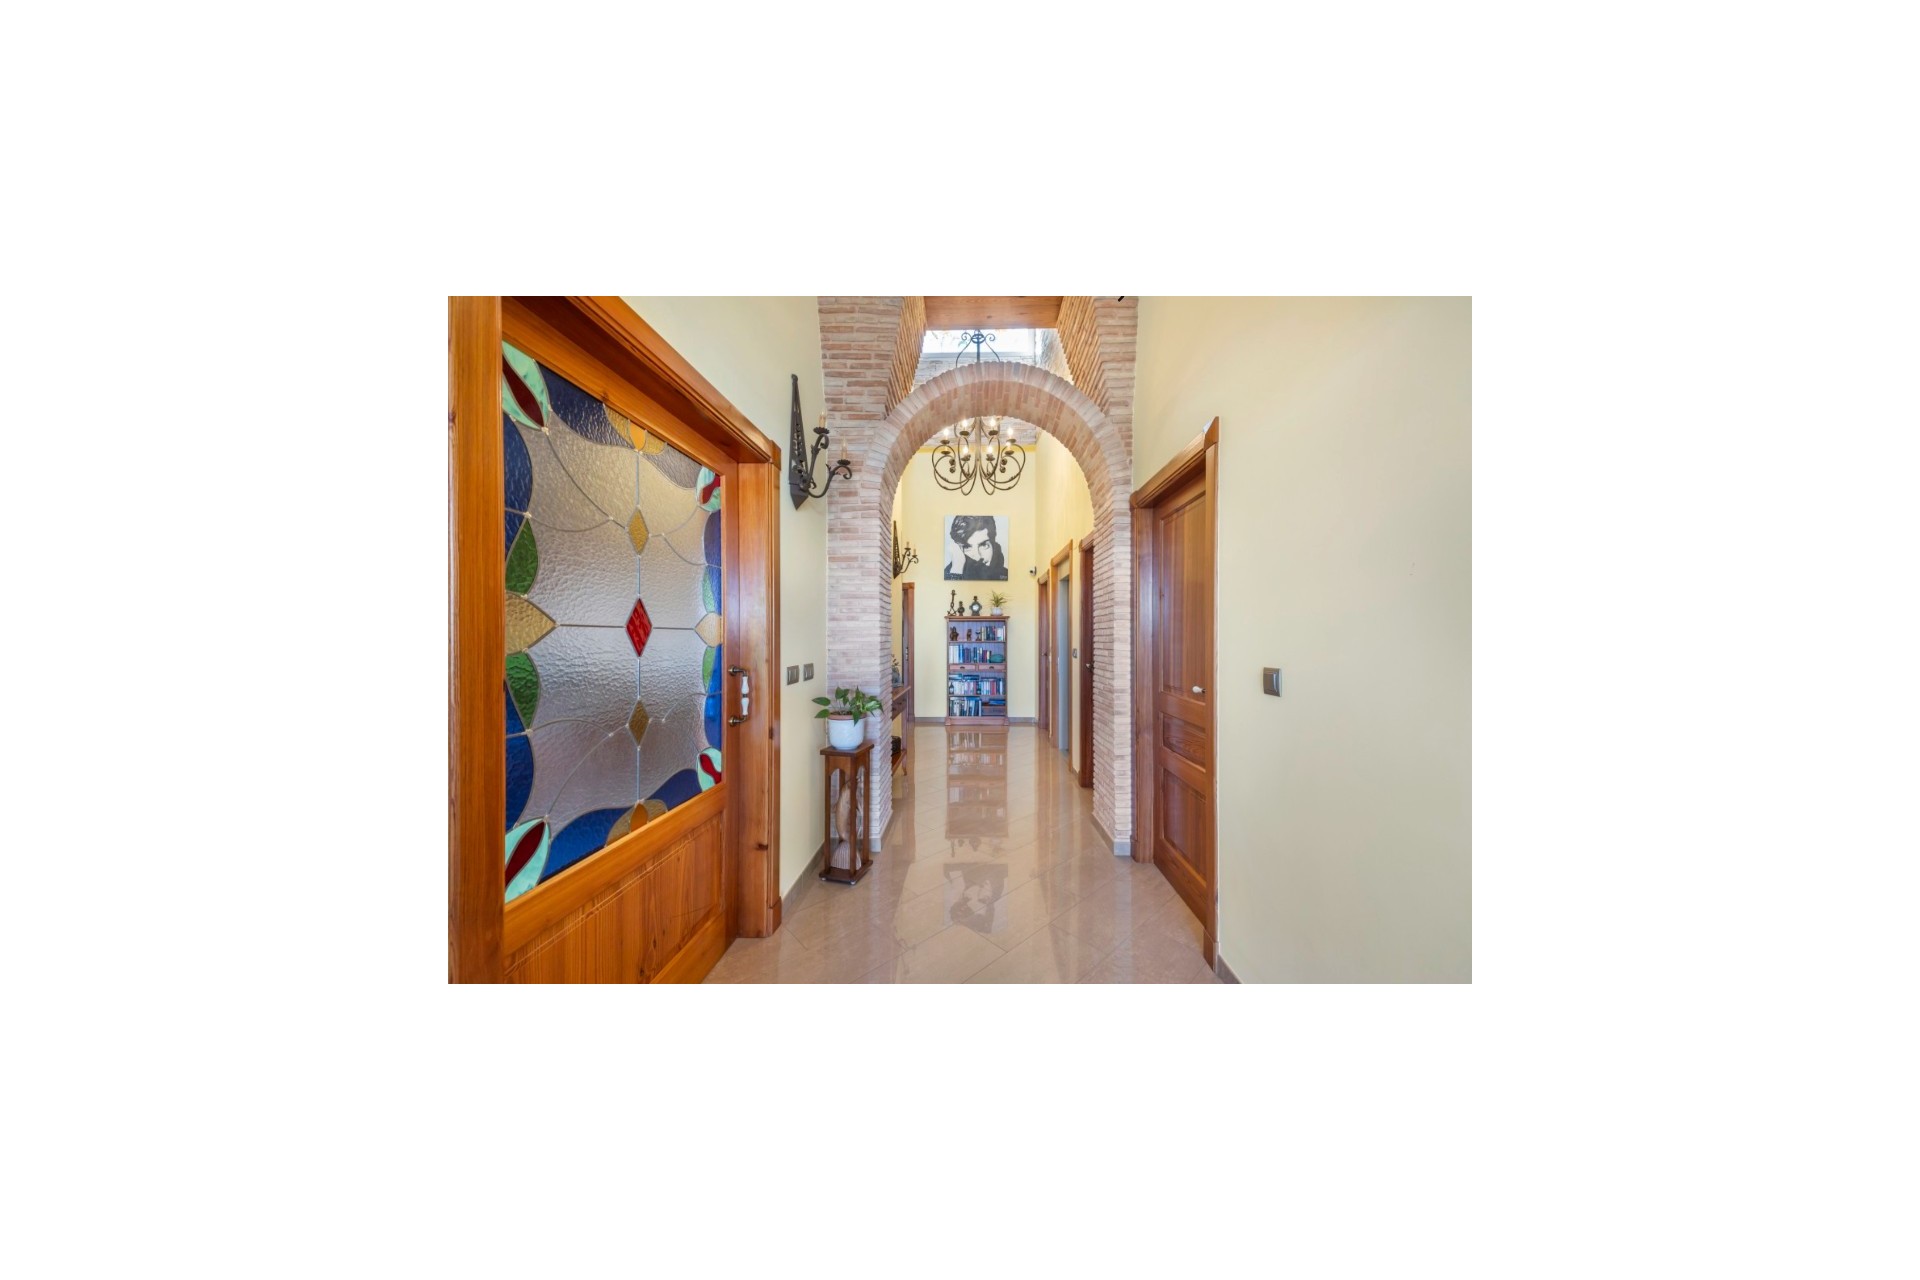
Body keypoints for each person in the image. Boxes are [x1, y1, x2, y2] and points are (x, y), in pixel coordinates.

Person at [947, 514, 1006, 580]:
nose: (978, 557)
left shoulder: (1006, 575)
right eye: (967, 547)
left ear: (993, 544)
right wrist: (956, 570)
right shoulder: (949, 573)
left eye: (984, 545)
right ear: (957, 548)